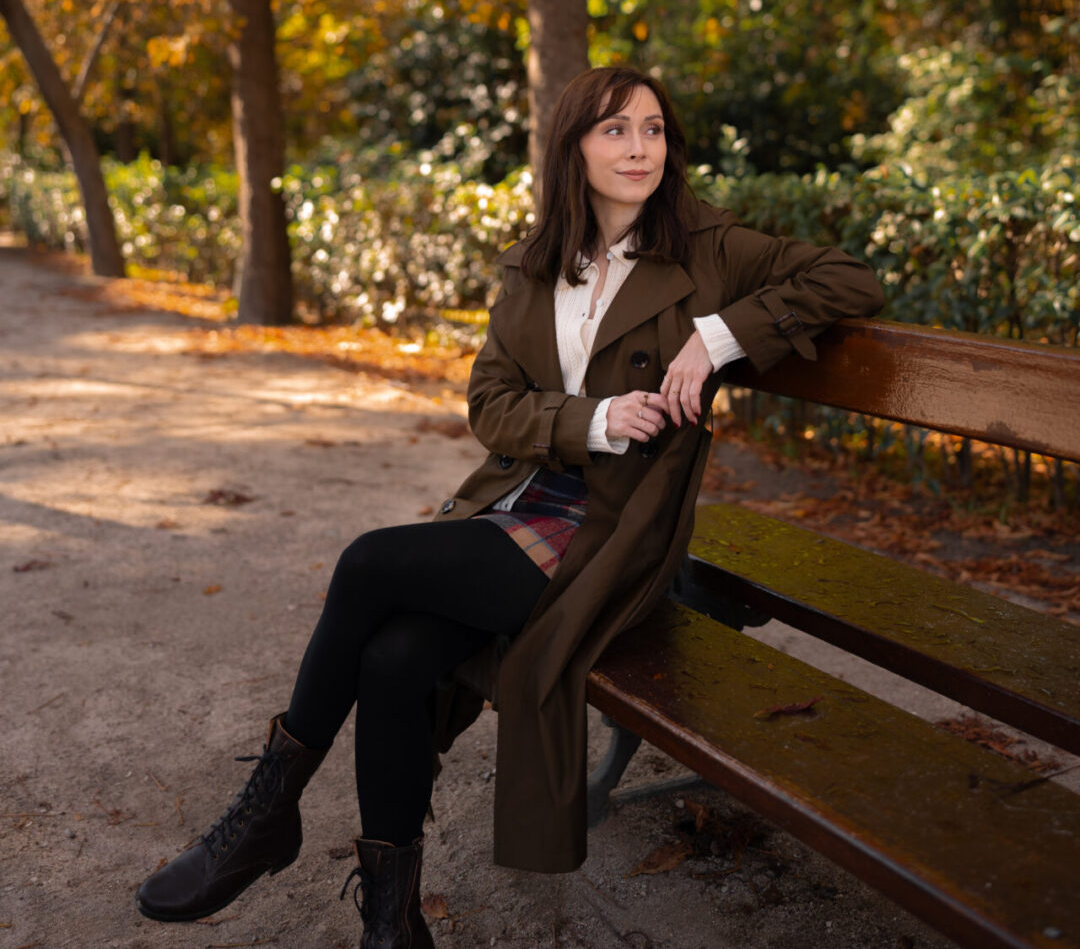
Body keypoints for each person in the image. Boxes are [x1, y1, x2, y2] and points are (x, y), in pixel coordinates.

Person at [136, 66, 884, 945]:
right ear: (573, 148)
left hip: (612, 534)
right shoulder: (537, 268)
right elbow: (490, 404)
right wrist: (593, 419)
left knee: (369, 563)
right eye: (615, 131)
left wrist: (713, 340)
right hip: (520, 506)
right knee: (392, 658)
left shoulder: (709, 251)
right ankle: (391, 924)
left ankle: (268, 811)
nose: (640, 147)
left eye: (653, 129)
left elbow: (851, 280)